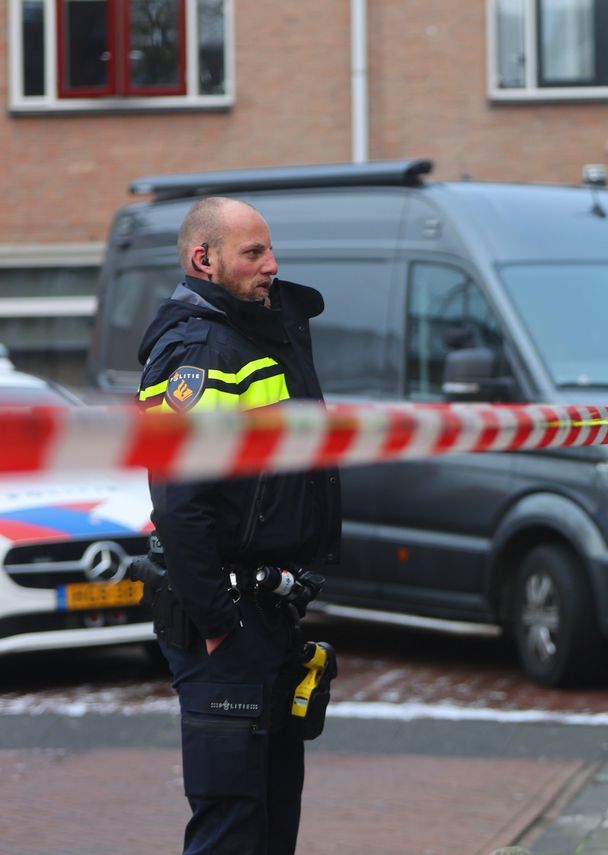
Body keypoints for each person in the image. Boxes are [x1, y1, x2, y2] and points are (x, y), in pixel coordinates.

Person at [136, 197, 341, 855]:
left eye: (269, 250)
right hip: (225, 622)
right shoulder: (197, 351)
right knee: (232, 827)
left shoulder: (260, 334)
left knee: (272, 820)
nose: (272, 265)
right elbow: (180, 501)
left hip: (267, 610)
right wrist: (219, 622)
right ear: (205, 259)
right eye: (253, 253)